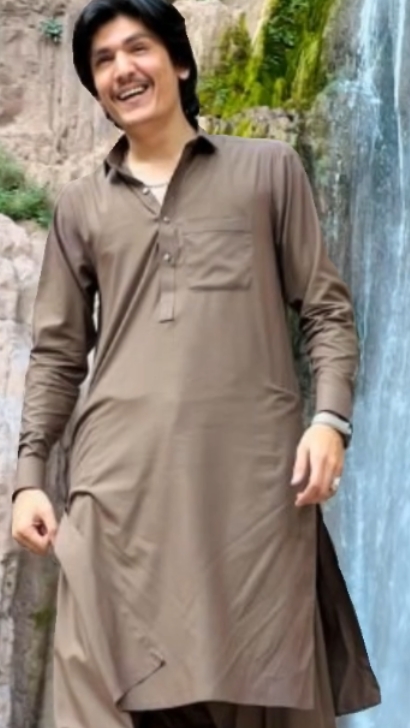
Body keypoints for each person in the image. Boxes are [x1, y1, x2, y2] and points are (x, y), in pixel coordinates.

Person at [11, 1, 381, 727]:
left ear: (179, 61)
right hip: (115, 500)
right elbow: (57, 354)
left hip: (254, 499)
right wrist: (29, 478)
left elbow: (327, 311)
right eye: (103, 61)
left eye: (137, 48)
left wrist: (330, 421)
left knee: (263, 693)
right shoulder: (80, 208)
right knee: (94, 697)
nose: (122, 69)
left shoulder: (268, 172)